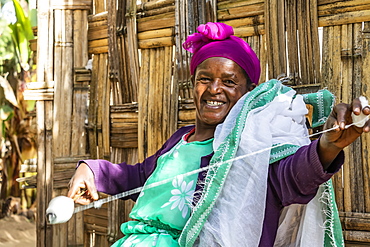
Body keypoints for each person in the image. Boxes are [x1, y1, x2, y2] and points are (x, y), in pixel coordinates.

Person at [68, 22, 370, 247]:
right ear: (193, 86)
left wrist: (327, 147)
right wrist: (92, 171)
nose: (214, 89)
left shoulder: (251, 148)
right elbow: (140, 178)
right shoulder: (179, 140)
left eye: (229, 81)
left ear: (248, 93)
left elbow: (291, 177)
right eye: (205, 79)